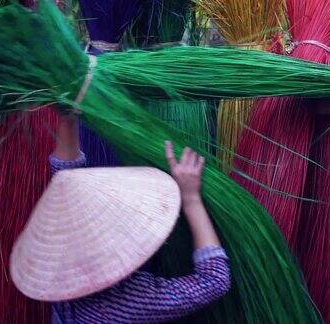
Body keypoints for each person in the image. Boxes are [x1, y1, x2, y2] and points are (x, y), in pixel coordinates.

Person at [48, 111, 231, 323]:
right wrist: (191, 199)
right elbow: (215, 280)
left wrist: (68, 119)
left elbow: (64, 177)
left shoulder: (61, 267)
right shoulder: (130, 300)